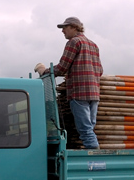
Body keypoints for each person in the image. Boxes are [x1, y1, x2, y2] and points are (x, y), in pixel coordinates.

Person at [35, 17, 103, 149]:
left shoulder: (74, 42)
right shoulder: (94, 45)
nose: (63, 31)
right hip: (94, 94)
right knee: (90, 128)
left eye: (65, 28)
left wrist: (44, 71)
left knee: (85, 130)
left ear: (74, 27)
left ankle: (95, 157)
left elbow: (62, 67)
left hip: (79, 93)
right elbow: (100, 70)